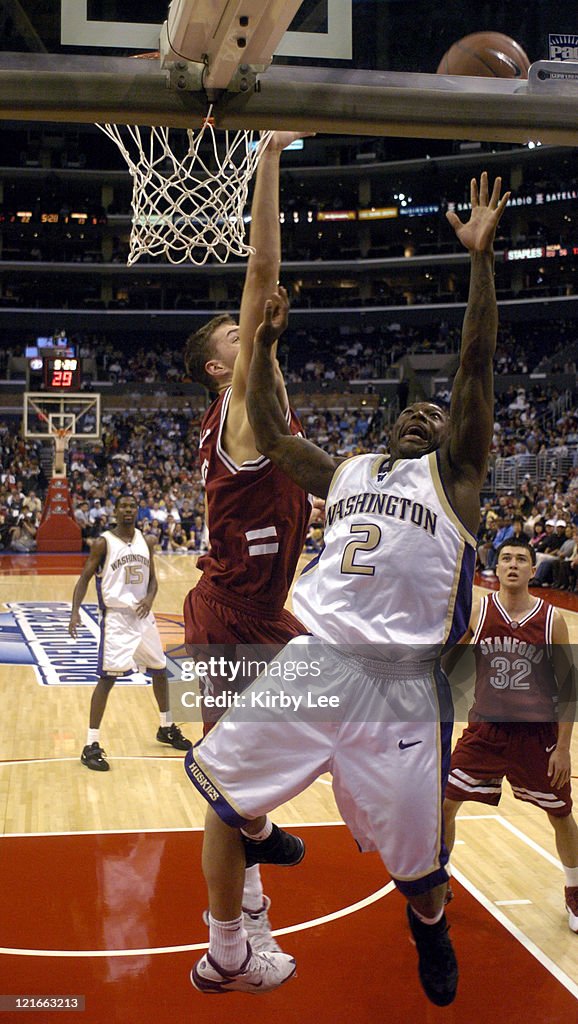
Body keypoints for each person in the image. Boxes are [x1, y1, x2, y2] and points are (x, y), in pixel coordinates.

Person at [184, 172, 510, 1003]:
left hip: (400, 687)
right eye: (409, 412)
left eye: (433, 417)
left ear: (453, 440)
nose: (421, 416)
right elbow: (266, 416)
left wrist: (480, 263)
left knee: (417, 867)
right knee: (220, 792)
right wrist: (261, 344)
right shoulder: (350, 468)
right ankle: (231, 940)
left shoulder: (458, 478)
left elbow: (476, 365)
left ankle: (428, 928)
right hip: (315, 660)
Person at [182, 131, 313, 956]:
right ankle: (228, 948)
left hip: (261, 614)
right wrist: (268, 160)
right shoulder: (241, 406)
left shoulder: (262, 390)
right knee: (229, 790)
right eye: (232, 333)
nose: (247, 329)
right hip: (233, 617)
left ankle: (258, 856)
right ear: (213, 371)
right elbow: (261, 273)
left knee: (311, 736)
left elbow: (264, 313)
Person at [443, 537, 578, 933]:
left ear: (533, 571)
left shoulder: (552, 619)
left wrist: (565, 749)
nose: (513, 564)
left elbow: (570, 687)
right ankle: (439, 881)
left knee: (562, 815)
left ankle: (574, 889)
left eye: (521, 559)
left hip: (537, 736)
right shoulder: (479, 612)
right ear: (496, 569)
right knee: (445, 804)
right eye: (506, 559)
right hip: (485, 729)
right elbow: (453, 663)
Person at [68, 494, 191, 771]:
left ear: (136, 511)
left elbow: (154, 582)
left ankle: (166, 727)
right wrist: (75, 611)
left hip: (143, 618)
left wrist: (149, 599)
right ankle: (90, 744)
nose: (127, 510)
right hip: (117, 620)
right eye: (122, 506)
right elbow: (85, 577)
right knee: (107, 679)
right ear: (115, 510)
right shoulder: (103, 543)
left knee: (160, 670)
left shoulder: (146, 542)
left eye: (131, 507)